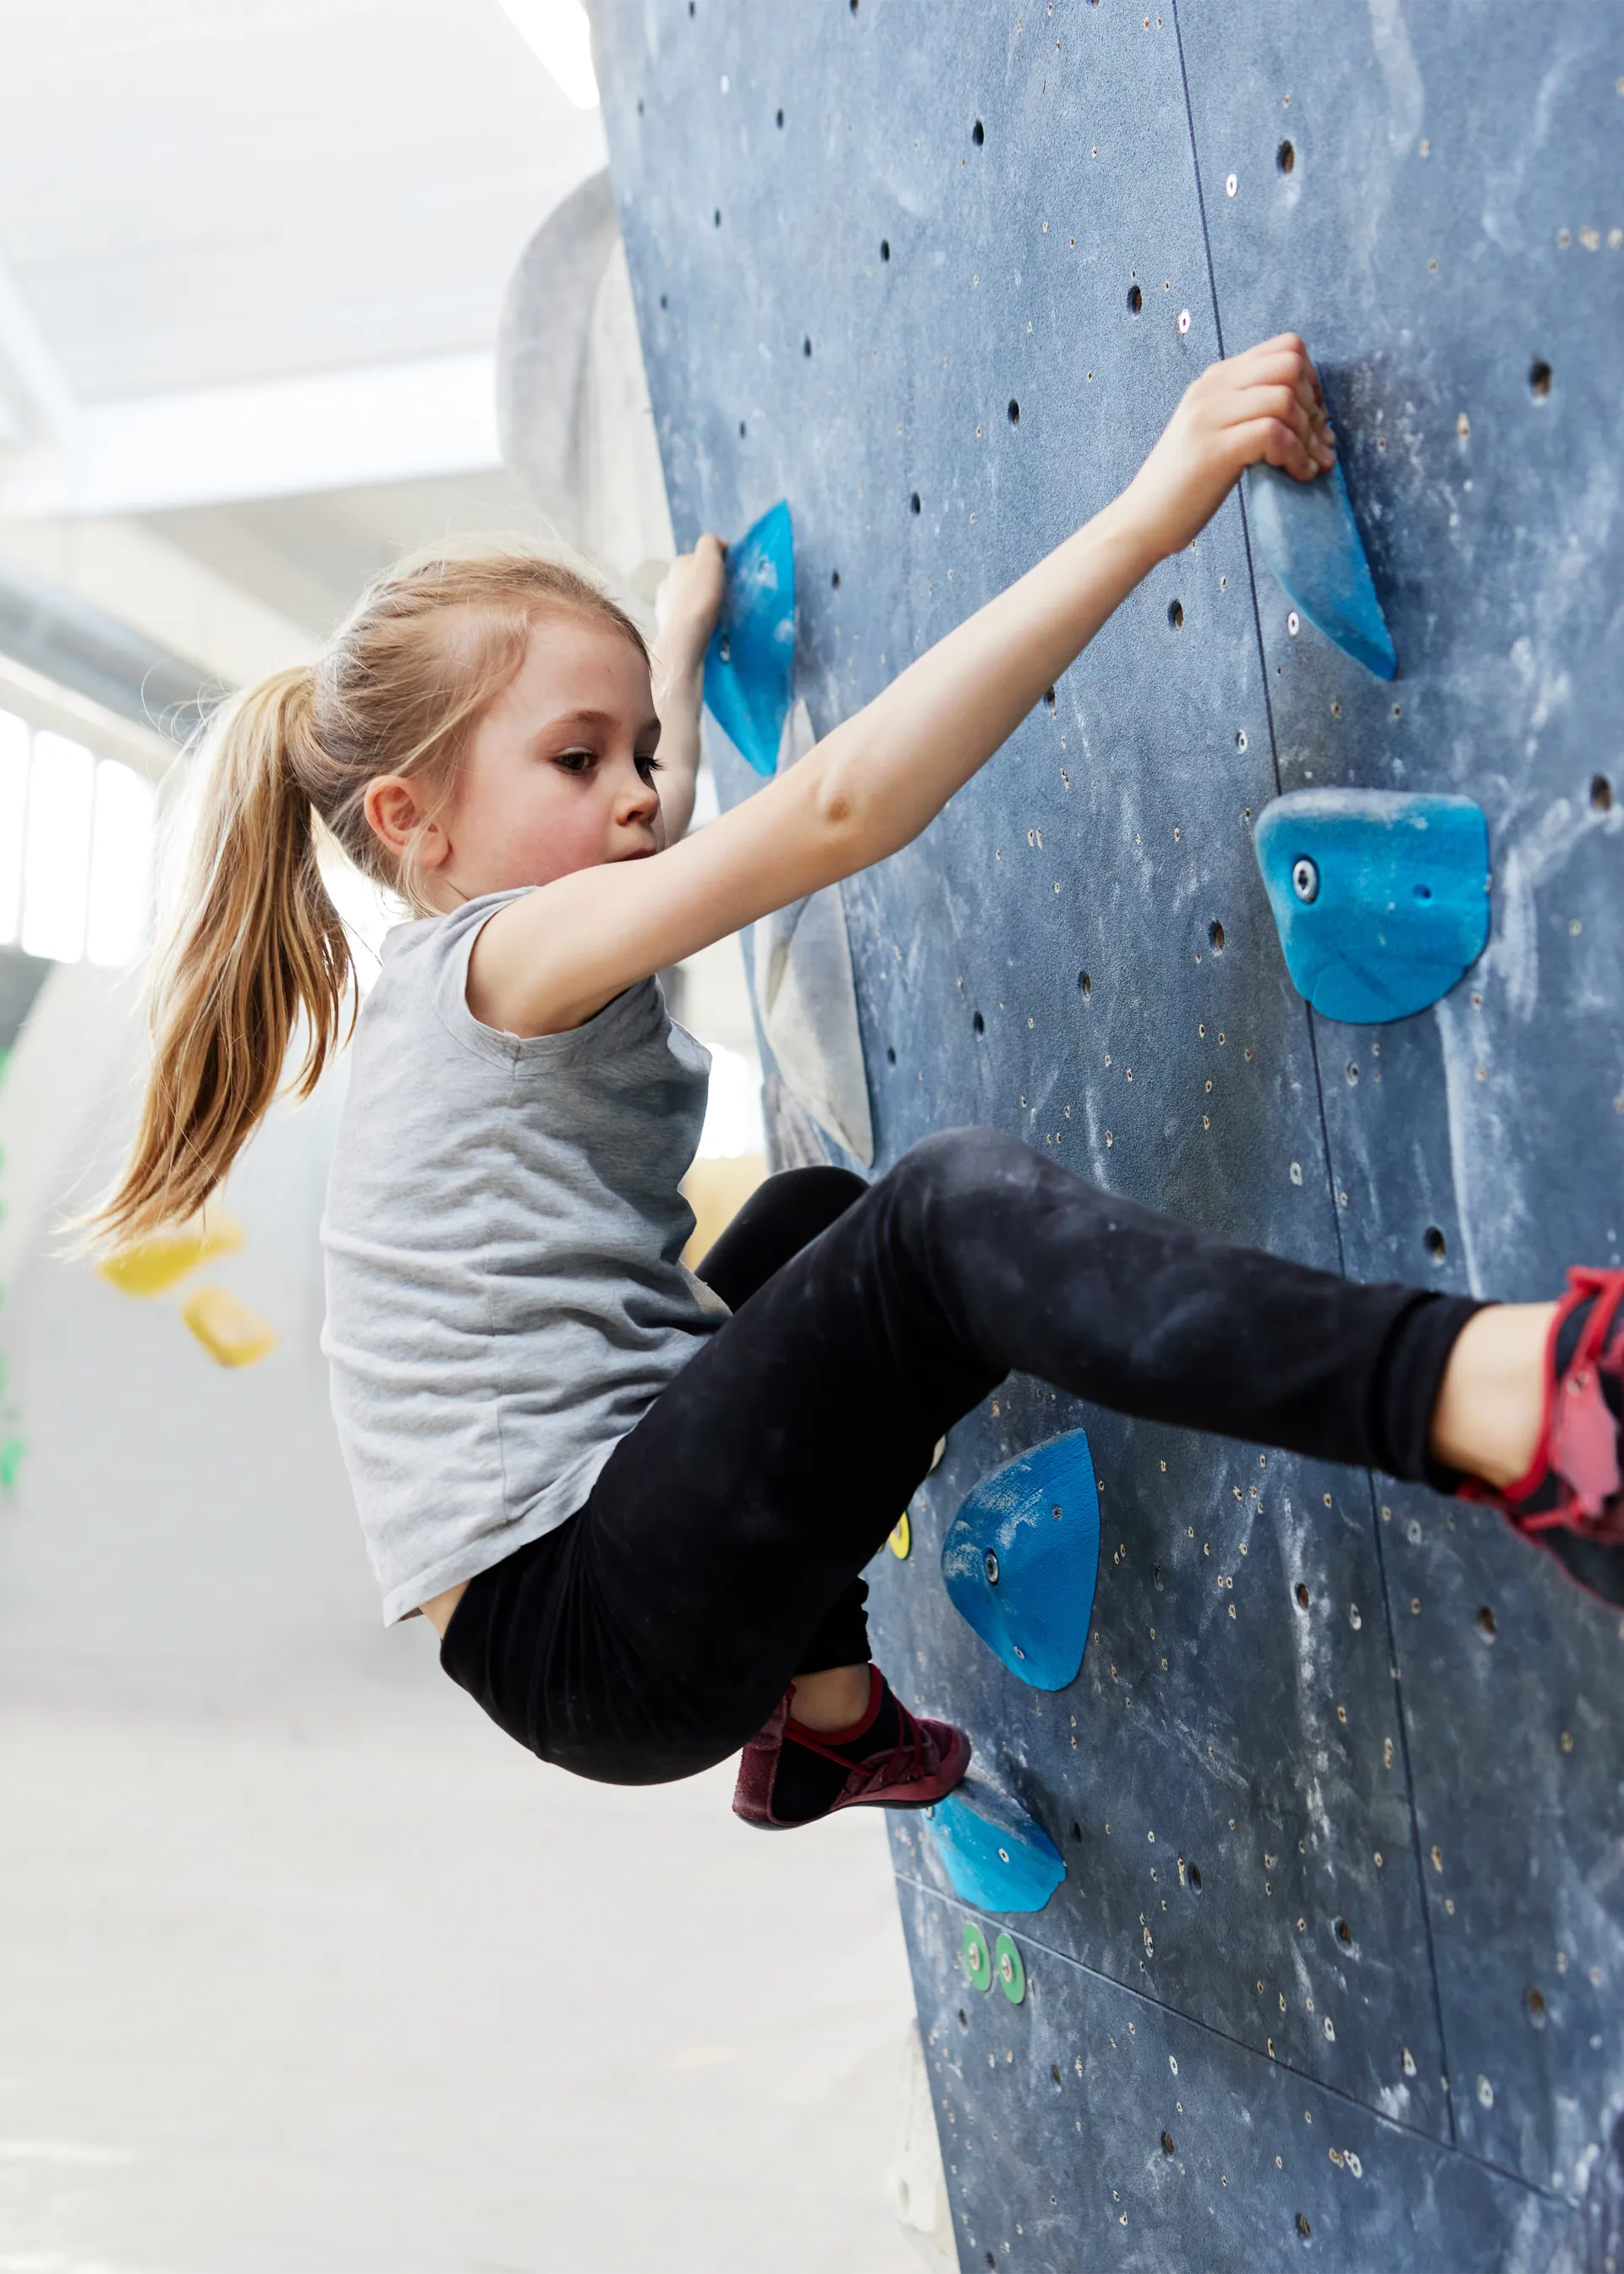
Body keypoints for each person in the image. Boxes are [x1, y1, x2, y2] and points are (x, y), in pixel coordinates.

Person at [97, 337, 1623, 1831]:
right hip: (585, 1614)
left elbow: (671, 808)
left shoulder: (503, 941)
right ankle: (1504, 1402)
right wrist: (1157, 504)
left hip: (584, 1592)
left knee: (819, 1217)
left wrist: (674, 646)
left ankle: (826, 1722)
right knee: (937, 1228)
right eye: (579, 760)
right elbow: (835, 810)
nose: (636, 791)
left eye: (634, 750)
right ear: (410, 821)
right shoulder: (499, 963)